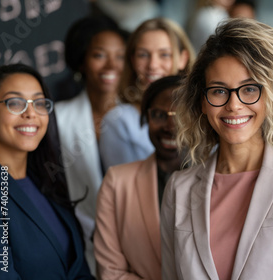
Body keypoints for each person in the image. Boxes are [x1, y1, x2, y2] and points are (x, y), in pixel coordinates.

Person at [161, 18, 273, 280]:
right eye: (218, 91)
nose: (234, 105)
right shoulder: (179, 189)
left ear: (270, 96)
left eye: (249, 89)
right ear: (202, 101)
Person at [0, 64, 93, 279]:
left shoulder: (46, 179)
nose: (31, 114)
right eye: (15, 103)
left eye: (39, 103)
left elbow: (78, 268)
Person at [55, 15, 127, 273]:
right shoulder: (58, 118)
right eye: (99, 55)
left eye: (120, 56)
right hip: (77, 247)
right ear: (82, 61)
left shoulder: (140, 117)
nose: (111, 65)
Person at [94, 75, 183, 279]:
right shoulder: (117, 182)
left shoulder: (219, 177)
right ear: (145, 119)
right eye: (159, 115)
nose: (171, 126)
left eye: (182, 115)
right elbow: (111, 273)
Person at [99, 17, 194, 171]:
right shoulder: (118, 121)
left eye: (164, 55)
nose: (153, 65)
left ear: (183, 59)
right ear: (132, 60)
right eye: (143, 55)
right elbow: (125, 189)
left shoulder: (203, 111)